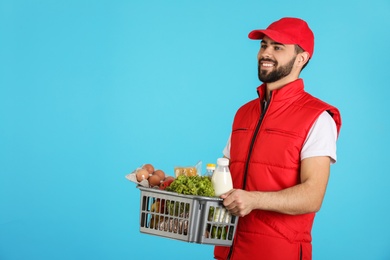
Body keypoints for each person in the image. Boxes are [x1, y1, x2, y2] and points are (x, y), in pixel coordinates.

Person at [214, 17, 342, 260]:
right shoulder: (244, 113)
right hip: (228, 251)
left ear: (301, 58)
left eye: (278, 47)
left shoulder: (317, 117)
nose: (266, 53)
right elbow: (223, 179)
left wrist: (254, 200)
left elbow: (313, 196)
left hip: (278, 254)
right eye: (264, 45)